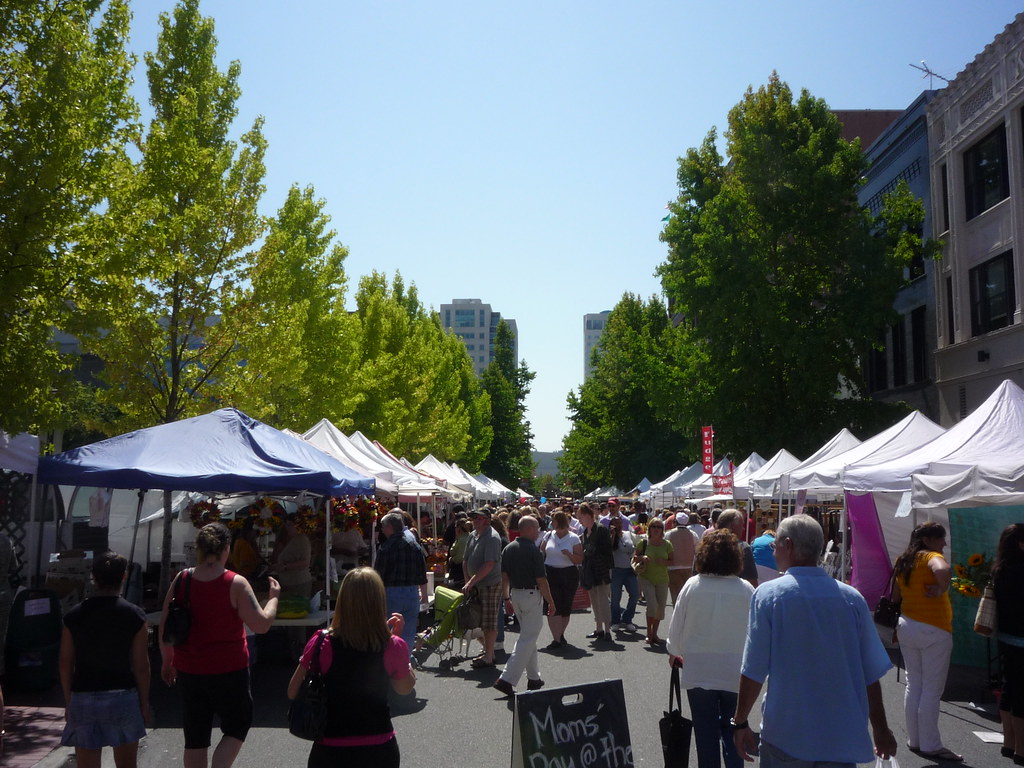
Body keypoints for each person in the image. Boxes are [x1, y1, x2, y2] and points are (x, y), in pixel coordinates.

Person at [733, 514, 896, 767]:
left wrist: (741, 720)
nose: (774, 552)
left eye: (775, 545)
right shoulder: (852, 598)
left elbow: (753, 668)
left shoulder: (769, 595)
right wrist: (881, 729)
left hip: (788, 731)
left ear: (788, 545)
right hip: (841, 735)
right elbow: (869, 673)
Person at [160, 523, 280, 768]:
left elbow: (165, 626)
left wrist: (166, 661)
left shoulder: (182, 580)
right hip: (229, 670)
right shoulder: (235, 583)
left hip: (189, 669)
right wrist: (274, 598)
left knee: (195, 735)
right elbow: (261, 624)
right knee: (237, 725)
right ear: (227, 548)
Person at [288, 568, 415, 768]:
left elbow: (292, 691)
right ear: (379, 602)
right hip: (378, 748)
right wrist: (400, 648)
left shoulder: (322, 642)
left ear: (342, 602)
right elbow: (404, 689)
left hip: (330, 749)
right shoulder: (393, 646)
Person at [667, 531, 754, 768]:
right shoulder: (746, 589)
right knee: (735, 732)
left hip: (699, 671)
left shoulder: (692, 585)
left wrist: (674, 651)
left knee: (705, 736)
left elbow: (676, 630)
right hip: (735, 672)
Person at [60, 551, 150, 768]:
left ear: (94, 578)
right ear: (124, 577)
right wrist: (144, 702)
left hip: (83, 696)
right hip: (122, 696)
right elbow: (141, 666)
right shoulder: (135, 616)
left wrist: (68, 700)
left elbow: (65, 663)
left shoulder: (74, 616)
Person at [890, 521, 961, 761]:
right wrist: (942, 587)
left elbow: (896, 596)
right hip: (934, 628)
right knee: (931, 689)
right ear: (929, 540)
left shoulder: (903, 560)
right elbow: (942, 569)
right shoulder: (931, 556)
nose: (944, 544)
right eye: (941, 539)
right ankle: (931, 744)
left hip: (907, 625)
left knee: (914, 684)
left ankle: (915, 739)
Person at [493, 516, 555, 697]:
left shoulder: (509, 548)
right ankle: (506, 679)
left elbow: (504, 577)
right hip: (531, 594)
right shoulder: (533, 551)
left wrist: (506, 598)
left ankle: (534, 677)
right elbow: (541, 580)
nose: (538, 532)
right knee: (528, 638)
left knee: (529, 635)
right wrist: (550, 601)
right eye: (536, 528)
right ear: (528, 529)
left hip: (515, 594)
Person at [374, 511, 429, 663]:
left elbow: (378, 575)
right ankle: (405, 663)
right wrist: (423, 595)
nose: (383, 530)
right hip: (412, 593)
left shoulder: (386, 547)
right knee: (409, 632)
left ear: (390, 527)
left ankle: (391, 665)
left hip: (392, 593)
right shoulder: (414, 545)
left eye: (384, 527)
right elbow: (422, 573)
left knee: (390, 631)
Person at [993, 523, 1024, 765]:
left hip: (1005, 634)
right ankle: (1021, 749)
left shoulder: (1000, 569)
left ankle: (1008, 743)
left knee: (1008, 687)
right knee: (1021, 693)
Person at [462, 507, 503, 668]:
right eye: (473, 518)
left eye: (478, 518)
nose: (474, 520)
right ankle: (489, 651)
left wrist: (471, 582)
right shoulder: (473, 535)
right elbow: (465, 560)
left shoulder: (492, 537)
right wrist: (468, 581)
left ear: (486, 519)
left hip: (489, 584)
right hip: (476, 584)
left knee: (489, 621)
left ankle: (489, 655)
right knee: (477, 619)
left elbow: (489, 564)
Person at [540, 510, 583, 649]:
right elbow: (542, 551)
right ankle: (556, 639)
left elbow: (579, 558)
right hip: (550, 572)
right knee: (552, 605)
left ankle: (560, 634)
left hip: (568, 573)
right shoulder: (548, 535)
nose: (551, 523)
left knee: (565, 605)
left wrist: (569, 554)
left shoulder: (573, 538)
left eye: (553, 520)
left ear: (559, 521)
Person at [577, 503, 614, 643]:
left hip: (602, 569)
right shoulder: (587, 531)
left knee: (603, 600)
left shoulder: (600, 529)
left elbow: (604, 550)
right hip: (591, 570)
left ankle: (607, 630)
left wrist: (586, 551)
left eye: (580, 517)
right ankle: (598, 628)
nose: (579, 520)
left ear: (587, 515)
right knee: (594, 600)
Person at [634, 516, 673, 645]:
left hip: (662, 579)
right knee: (652, 605)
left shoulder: (667, 544)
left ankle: (654, 634)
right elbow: (634, 557)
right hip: (646, 577)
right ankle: (648, 633)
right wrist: (642, 557)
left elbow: (672, 561)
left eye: (659, 527)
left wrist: (664, 562)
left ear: (662, 529)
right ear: (649, 528)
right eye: (653, 526)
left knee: (660, 609)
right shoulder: (644, 542)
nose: (656, 529)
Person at [608, 515, 641, 633]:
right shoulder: (610, 536)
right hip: (616, 570)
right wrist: (612, 535)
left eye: (619, 523)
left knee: (635, 594)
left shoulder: (628, 534)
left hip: (629, 569)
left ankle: (627, 619)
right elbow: (609, 549)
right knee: (616, 598)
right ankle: (615, 621)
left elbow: (636, 545)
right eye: (615, 523)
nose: (618, 526)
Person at [272, 513, 312, 599]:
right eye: (286, 524)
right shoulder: (287, 538)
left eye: (290, 525)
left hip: (299, 583)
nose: (287, 527)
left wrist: (285, 566)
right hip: (287, 582)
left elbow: (305, 562)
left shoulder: (302, 540)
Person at [716, 509, 758, 588]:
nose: (743, 529)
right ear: (732, 526)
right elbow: (752, 582)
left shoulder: (705, 545)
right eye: (742, 525)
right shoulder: (743, 548)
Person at [665, 512, 697, 604]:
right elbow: (697, 549)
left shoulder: (669, 534)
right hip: (688, 567)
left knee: (675, 595)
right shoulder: (692, 534)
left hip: (673, 567)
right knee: (686, 596)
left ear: (676, 521)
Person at [228, 514, 265, 581]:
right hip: (244, 576)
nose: (255, 537)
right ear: (250, 531)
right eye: (255, 533)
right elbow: (243, 563)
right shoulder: (242, 543)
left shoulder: (249, 542)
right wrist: (258, 562)